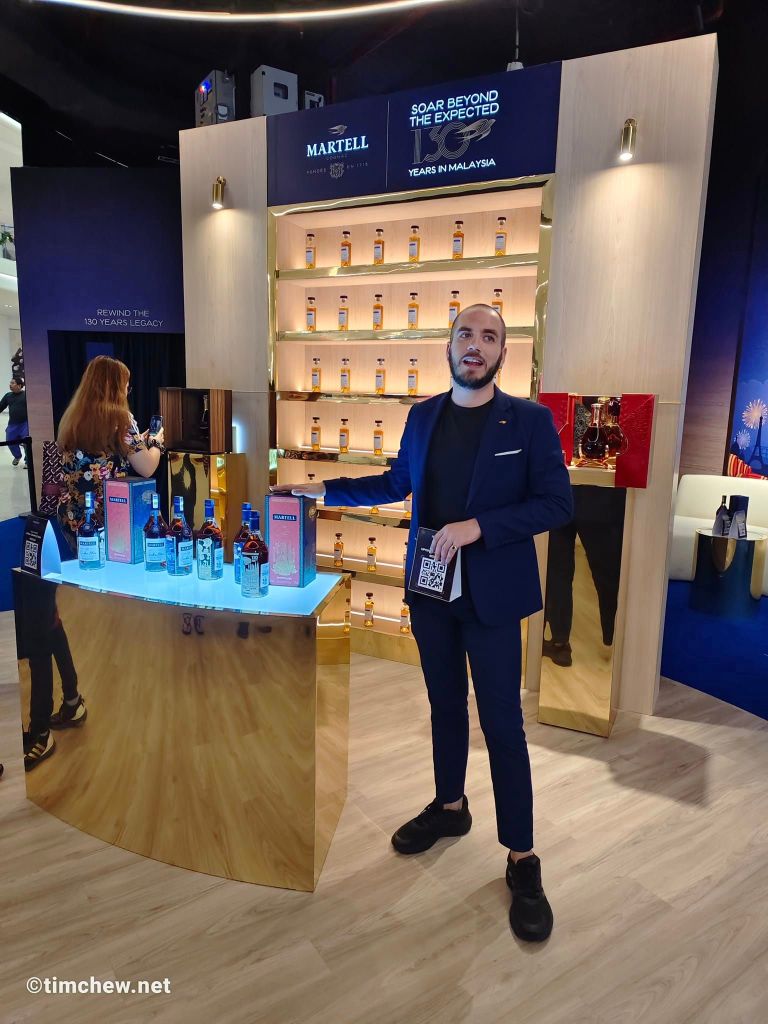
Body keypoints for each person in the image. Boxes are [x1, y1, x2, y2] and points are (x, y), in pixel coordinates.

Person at [272, 303, 573, 943]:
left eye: (489, 336)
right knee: (444, 706)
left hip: (492, 599)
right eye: (466, 333)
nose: (476, 344)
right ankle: (450, 806)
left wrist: (478, 527)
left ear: (503, 353)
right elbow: (394, 483)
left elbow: (555, 502)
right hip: (432, 591)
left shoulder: (530, 420)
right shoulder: (424, 415)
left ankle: (522, 856)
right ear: (449, 345)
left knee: (502, 724)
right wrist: (319, 491)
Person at [22, 355, 165, 771]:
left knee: (56, 612)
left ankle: (72, 697)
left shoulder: (73, 418)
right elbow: (146, 466)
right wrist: (157, 441)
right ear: (116, 387)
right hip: (108, 524)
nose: (129, 391)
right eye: (126, 385)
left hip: (72, 525)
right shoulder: (122, 419)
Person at [0, 375, 28, 466]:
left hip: (25, 424)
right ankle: (17, 456)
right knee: (10, 441)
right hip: (13, 424)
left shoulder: (26, 395)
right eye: (10, 383)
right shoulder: (8, 396)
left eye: (13, 383)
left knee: (26, 442)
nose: (10, 385)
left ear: (19, 385)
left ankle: (28, 461)